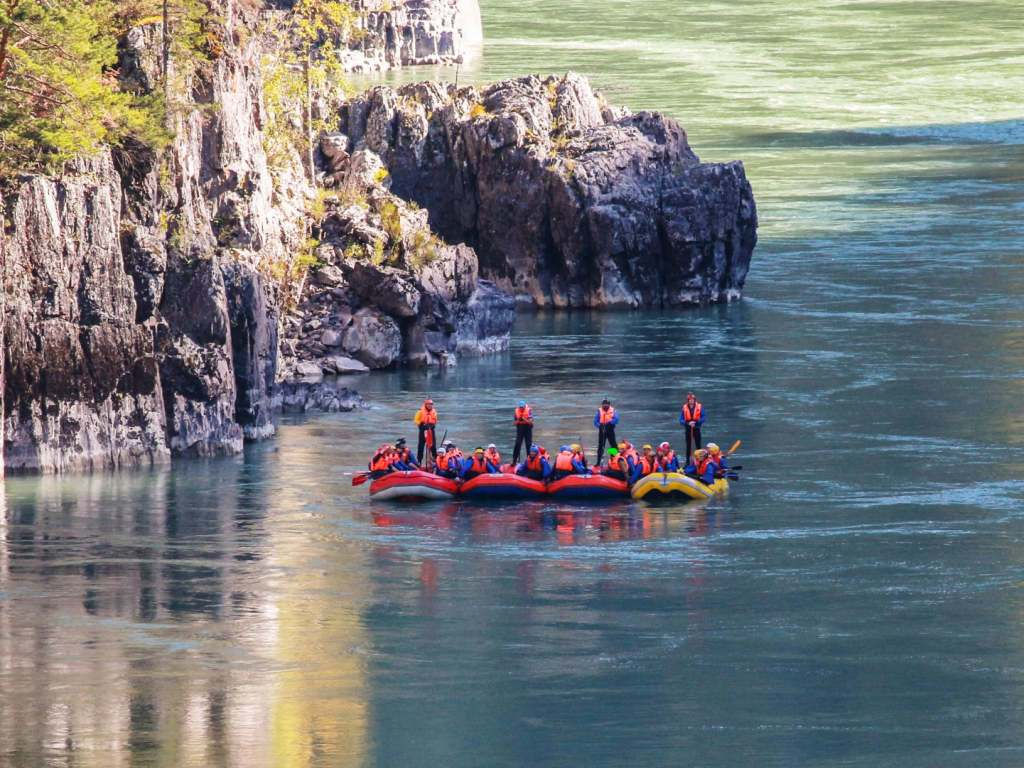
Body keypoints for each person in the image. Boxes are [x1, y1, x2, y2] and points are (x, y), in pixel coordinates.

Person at [679, 392, 705, 463]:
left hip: (696, 427)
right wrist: (688, 423)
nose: (691, 401)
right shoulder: (684, 408)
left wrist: (696, 422)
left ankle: (700, 462)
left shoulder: (699, 407)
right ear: (688, 400)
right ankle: (688, 462)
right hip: (688, 428)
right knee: (688, 446)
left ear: (694, 400)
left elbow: (703, 418)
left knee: (698, 445)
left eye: (692, 399)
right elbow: (680, 420)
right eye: (690, 399)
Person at [414, 398, 439, 464]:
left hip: (431, 430)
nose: (430, 405)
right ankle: (419, 461)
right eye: (428, 404)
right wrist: (421, 424)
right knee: (421, 446)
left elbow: (435, 420)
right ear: (425, 404)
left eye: (431, 404)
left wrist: (432, 425)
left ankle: (435, 460)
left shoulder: (434, 411)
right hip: (423, 430)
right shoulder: (420, 411)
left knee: (433, 446)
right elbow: (416, 420)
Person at [512, 400, 534, 464]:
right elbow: (514, 423)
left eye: (522, 407)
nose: (521, 408)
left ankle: (529, 460)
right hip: (520, 428)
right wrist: (519, 419)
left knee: (528, 444)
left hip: (528, 428)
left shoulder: (529, 411)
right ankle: (514, 460)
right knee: (518, 443)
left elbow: (531, 422)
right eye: (520, 407)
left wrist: (524, 419)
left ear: (524, 406)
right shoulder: (516, 412)